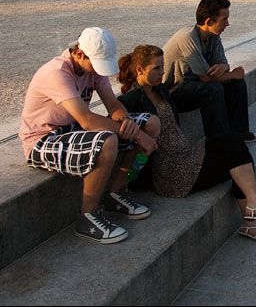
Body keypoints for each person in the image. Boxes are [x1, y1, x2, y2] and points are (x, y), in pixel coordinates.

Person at [117, 45, 256, 242]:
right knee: (235, 154)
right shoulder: (131, 100)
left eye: (163, 67)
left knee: (235, 144)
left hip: (187, 153)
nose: (163, 72)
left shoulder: (160, 89)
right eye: (157, 68)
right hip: (171, 171)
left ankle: (253, 211)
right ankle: (252, 219)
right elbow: (126, 135)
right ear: (139, 70)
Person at [19, 27, 160, 244]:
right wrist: (137, 137)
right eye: (95, 64)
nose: (97, 70)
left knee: (150, 123)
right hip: (43, 140)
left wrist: (126, 121)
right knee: (107, 141)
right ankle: (88, 217)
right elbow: (87, 119)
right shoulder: (57, 73)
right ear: (80, 53)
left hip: (73, 130)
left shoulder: (91, 69)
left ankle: (115, 193)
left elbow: (113, 104)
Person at [162, 0, 256, 144]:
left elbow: (222, 65)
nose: (228, 23)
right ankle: (218, 141)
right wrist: (233, 73)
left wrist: (225, 67)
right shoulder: (187, 37)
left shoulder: (213, 36)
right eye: (224, 19)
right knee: (213, 89)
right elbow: (205, 78)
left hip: (195, 85)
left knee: (236, 84)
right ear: (209, 21)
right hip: (173, 91)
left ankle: (239, 132)